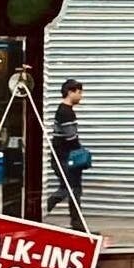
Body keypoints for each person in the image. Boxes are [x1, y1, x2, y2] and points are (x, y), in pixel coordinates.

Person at [49, 78, 92, 225]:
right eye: (79, 92)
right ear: (70, 92)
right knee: (71, 189)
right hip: (64, 158)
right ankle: (43, 208)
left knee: (71, 189)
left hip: (64, 158)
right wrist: (81, 153)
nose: (81, 96)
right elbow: (71, 138)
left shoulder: (65, 110)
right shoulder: (65, 112)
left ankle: (77, 224)